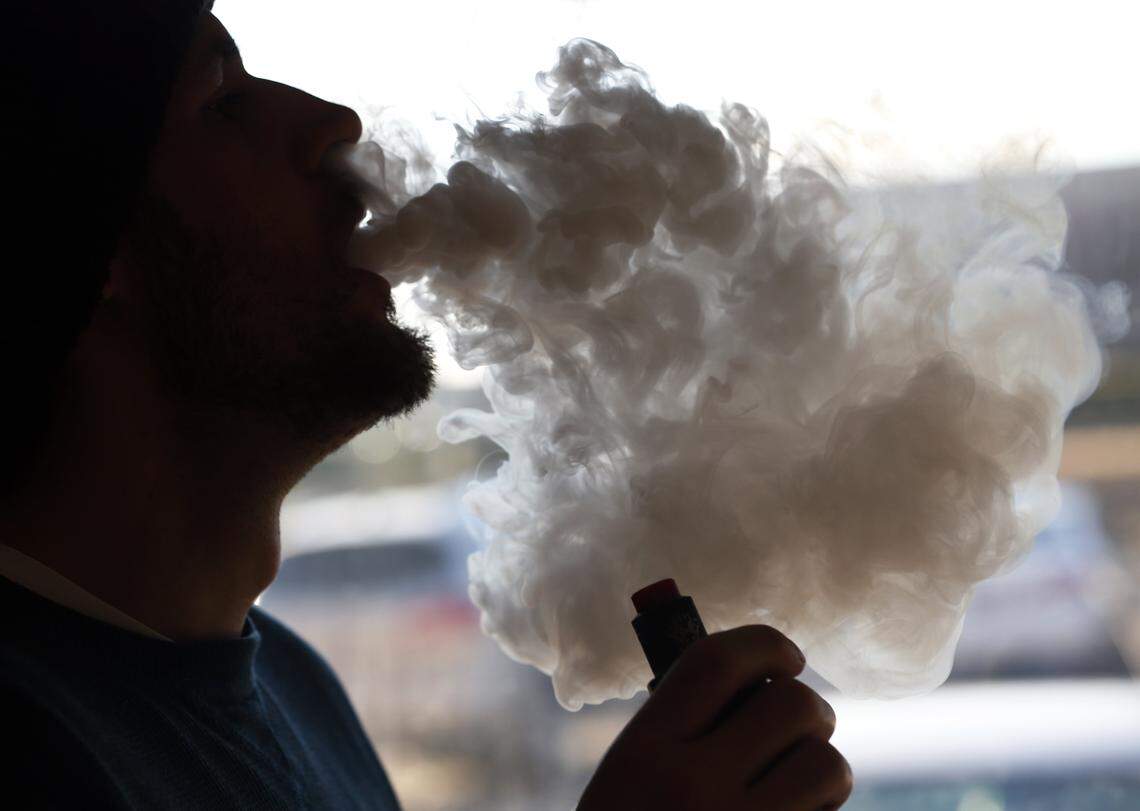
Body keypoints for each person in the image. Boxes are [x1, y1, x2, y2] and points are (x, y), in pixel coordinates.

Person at [0, 2, 853, 809]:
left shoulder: (295, 685)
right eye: (222, 102)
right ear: (87, 247)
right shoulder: (27, 746)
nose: (333, 122)